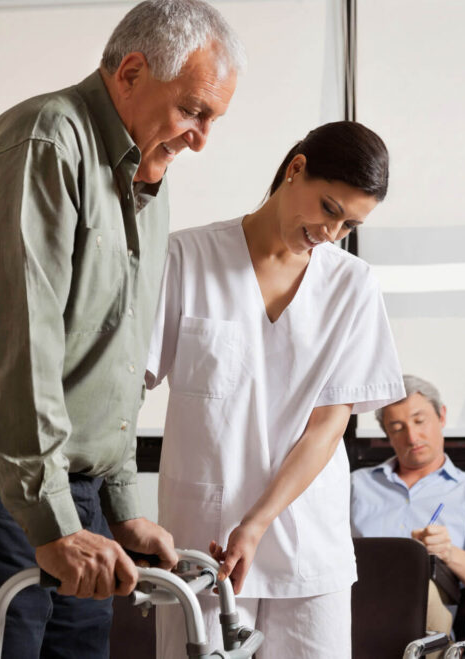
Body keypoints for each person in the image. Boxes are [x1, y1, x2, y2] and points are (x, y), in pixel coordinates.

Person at [0, 0, 244, 658]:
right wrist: (50, 519)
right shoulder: (45, 141)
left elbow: (115, 361)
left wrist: (122, 503)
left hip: (64, 487)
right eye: (194, 110)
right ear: (131, 73)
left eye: (212, 118)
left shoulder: (146, 179)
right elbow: (23, 349)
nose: (200, 138)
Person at [144, 121, 405, 658]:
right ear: (296, 169)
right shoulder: (185, 259)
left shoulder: (352, 286)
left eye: (349, 224)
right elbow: (125, 385)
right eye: (329, 209)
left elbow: (329, 424)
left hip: (306, 541)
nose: (331, 232)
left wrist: (257, 521)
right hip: (201, 544)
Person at [351, 374, 465, 635]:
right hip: (359, 607)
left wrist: (448, 553)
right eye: (398, 428)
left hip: (426, 622)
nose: (412, 437)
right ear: (387, 434)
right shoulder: (355, 487)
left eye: (419, 421)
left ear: (442, 416)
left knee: (419, 589)